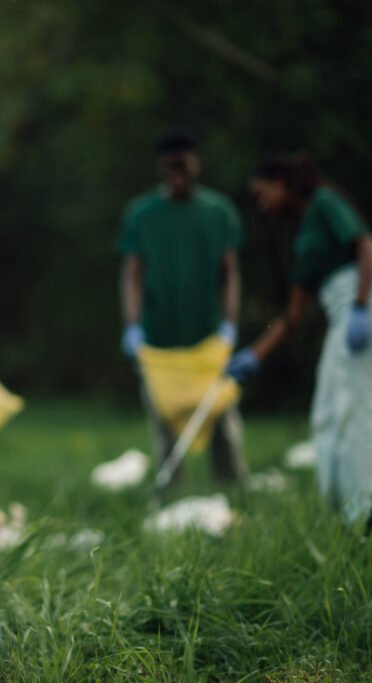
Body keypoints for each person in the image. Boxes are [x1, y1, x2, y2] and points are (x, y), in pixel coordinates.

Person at [227, 153, 372, 524]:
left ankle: (369, 516)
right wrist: (254, 355)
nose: (262, 204)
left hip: (366, 305)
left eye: (263, 193)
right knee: (325, 414)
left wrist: (360, 305)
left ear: (282, 182)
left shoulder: (324, 202)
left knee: (360, 411)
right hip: (344, 314)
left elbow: (366, 246)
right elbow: (292, 317)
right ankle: (338, 511)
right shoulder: (303, 233)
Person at [118, 129, 247, 485]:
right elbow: (132, 274)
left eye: (184, 165)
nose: (177, 174)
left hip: (207, 333)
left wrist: (230, 322)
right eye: (170, 166)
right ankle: (172, 490)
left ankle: (234, 485)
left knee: (223, 417)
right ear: (160, 167)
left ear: (197, 165)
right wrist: (132, 323)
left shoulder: (219, 212)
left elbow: (231, 272)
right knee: (164, 421)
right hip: (158, 336)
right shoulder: (142, 214)